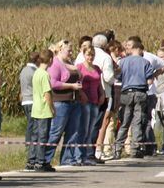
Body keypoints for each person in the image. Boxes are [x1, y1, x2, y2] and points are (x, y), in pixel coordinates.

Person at [112, 38, 155, 160]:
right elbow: (150, 80)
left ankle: (117, 149)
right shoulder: (145, 62)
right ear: (139, 49)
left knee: (125, 122)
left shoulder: (123, 62)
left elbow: (118, 77)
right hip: (140, 93)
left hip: (126, 93)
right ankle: (135, 149)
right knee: (137, 121)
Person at [45, 39, 84, 167]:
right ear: (60, 49)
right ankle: (45, 159)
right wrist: (71, 86)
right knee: (56, 132)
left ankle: (67, 158)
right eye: (69, 50)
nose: (71, 53)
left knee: (73, 132)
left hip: (74, 101)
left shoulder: (70, 63)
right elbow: (53, 83)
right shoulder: (55, 64)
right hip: (61, 102)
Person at [77, 46, 106, 165]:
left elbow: (99, 83)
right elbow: (78, 83)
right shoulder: (80, 67)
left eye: (92, 55)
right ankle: (80, 155)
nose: (90, 57)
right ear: (84, 55)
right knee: (83, 128)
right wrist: (81, 94)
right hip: (85, 101)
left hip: (95, 101)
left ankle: (88, 154)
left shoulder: (96, 68)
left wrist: (102, 94)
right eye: (88, 55)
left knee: (91, 128)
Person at [29, 49, 56, 172]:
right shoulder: (45, 75)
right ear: (50, 60)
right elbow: (47, 94)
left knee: (35, 136)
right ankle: (40, 162)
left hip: (35, 109)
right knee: (43, 137)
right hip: (44, 110)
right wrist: (52, 108)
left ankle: (32, 160)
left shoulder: (36, 72)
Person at [19, 52, 39, 169]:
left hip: (25, 100)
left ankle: (28, 143)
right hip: (32, 100)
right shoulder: (34, 72)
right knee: (32, 126)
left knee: (30, 124)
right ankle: (29, 144)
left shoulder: (24, 70)